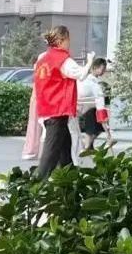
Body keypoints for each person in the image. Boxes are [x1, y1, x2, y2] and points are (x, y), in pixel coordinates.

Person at [34, 25, 95, 178]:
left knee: (64, 147)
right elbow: (80, 74)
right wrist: (90, 61)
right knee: (51, 150)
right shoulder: (62, 59)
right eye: (68, 39)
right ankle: (38, 183)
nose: (69, 43)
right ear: (61, 40)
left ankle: (70, 178)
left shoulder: (44, 59)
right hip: (58, 110)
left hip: (47, 108)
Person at [78, 57, 112, 152]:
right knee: (97, 117)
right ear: (94, 68)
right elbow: (100, 105)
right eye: (102, 69)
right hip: (84, 111)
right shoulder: (93, 84)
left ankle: (89, 145)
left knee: (96, 116)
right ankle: (87, 145)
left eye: (104, 69)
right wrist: (108, 131)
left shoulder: (89, 80)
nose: (103, 72)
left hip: (84, 108)